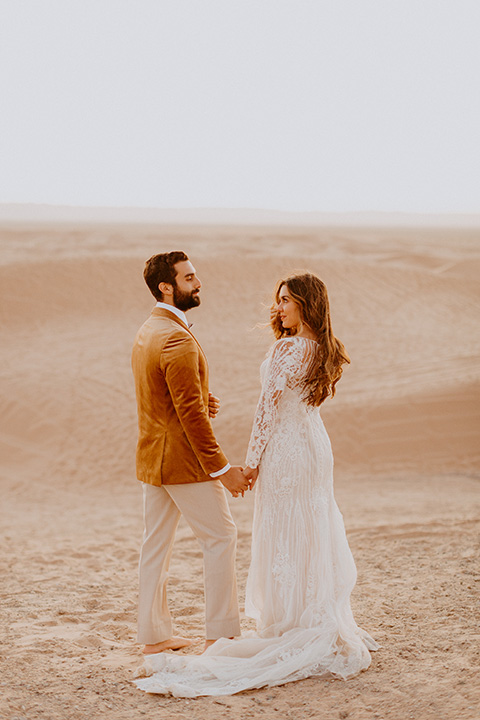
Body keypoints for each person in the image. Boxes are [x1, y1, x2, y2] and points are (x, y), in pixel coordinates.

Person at [135, 271, 378, 697]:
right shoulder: (322, 348)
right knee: (310, 527)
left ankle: (285, 623)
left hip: (285, 452)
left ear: (306, 304)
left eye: (286, 300)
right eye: (278, 300)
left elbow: (267, 410)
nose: (278, 307)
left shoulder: (286, 348)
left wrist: (246, 465)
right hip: (314, 447)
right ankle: (308, 617)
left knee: (286, 531)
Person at [131, 251, 250, 656]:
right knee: (221, 536)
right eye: (189, 277)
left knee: (155, 545)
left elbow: (164, 395)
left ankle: (153, 636)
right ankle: (221, 635)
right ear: (167, 286)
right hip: (183, 460)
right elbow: (191, 419)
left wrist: (199, 398)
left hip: (153, 457)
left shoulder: (149, 329)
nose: (198, 283)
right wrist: (222, 470)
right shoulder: (177, 338)